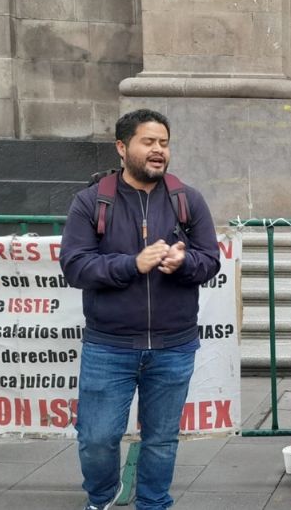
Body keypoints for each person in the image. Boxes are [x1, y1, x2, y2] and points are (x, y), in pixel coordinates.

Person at [60, 109, 221, 510]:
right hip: (109, 346)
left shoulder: (188, 199)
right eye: (148, 142)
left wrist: (184, 264)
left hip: (174, 345)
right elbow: (75, 265)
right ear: (122, 147)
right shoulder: (91, 202)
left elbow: (211, 260)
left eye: (163, 143)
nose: (158, 151)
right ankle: (101, 498)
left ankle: (154, 503)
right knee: (96, 438)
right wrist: (132, 264)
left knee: (162, 439)